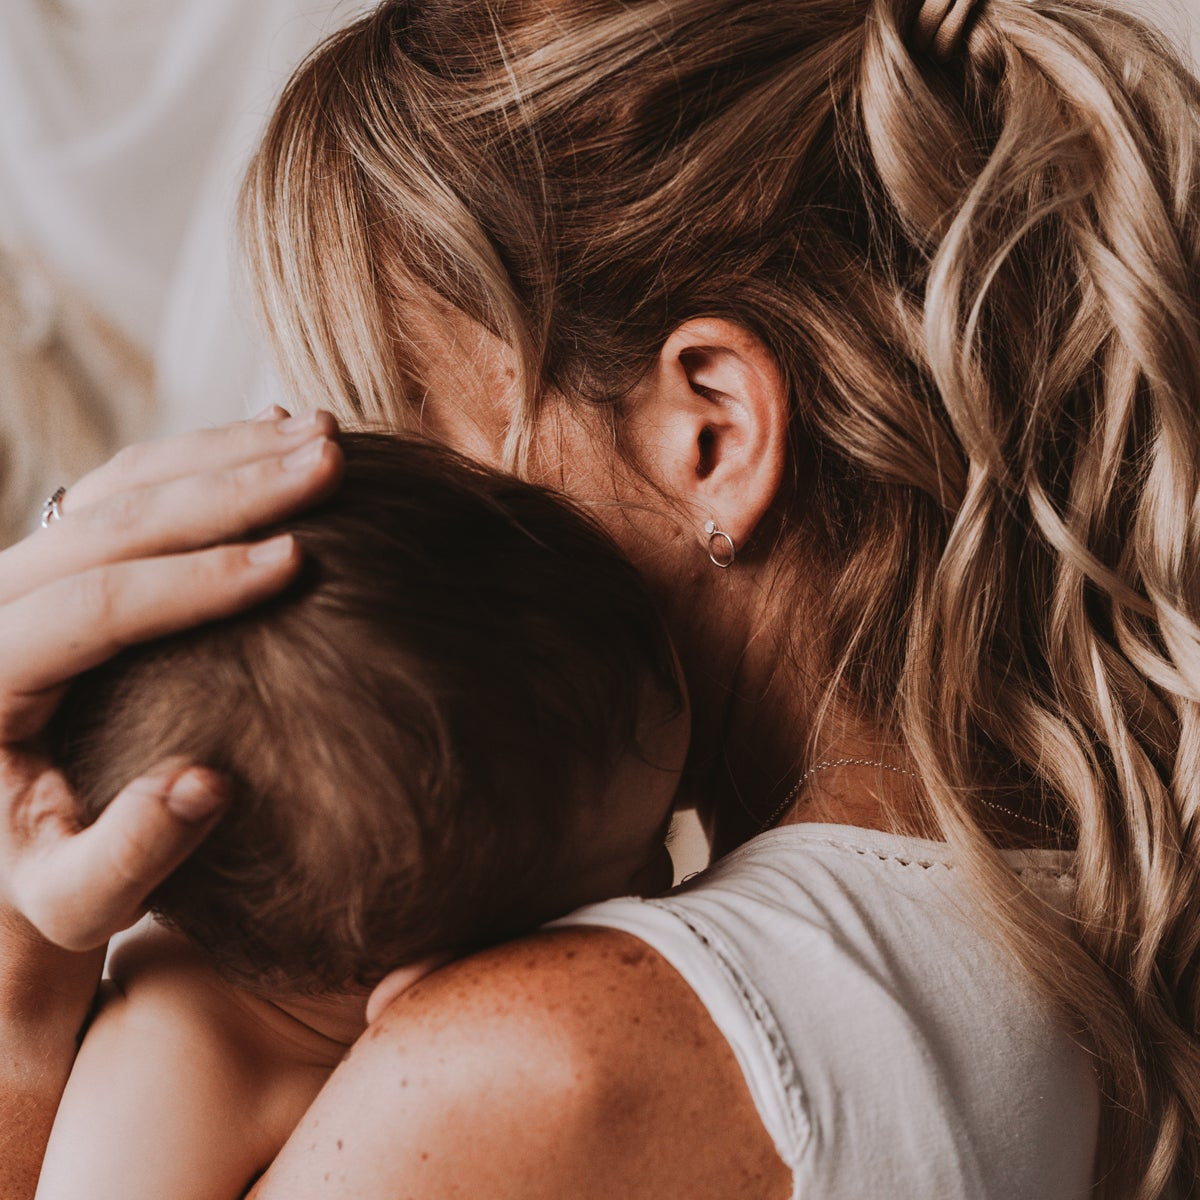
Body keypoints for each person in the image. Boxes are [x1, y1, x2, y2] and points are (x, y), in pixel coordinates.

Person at [4, 0, 1200, 1196]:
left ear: (711, 433)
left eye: (424, 437)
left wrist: (22, 981)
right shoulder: (1064, 946)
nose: (365, 541)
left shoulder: (546, 1057)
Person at [32, 431, 686, 1200]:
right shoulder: (161, 1100)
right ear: (438, 992)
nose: (667, 878)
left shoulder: (288, 1006)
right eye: (643, 858)